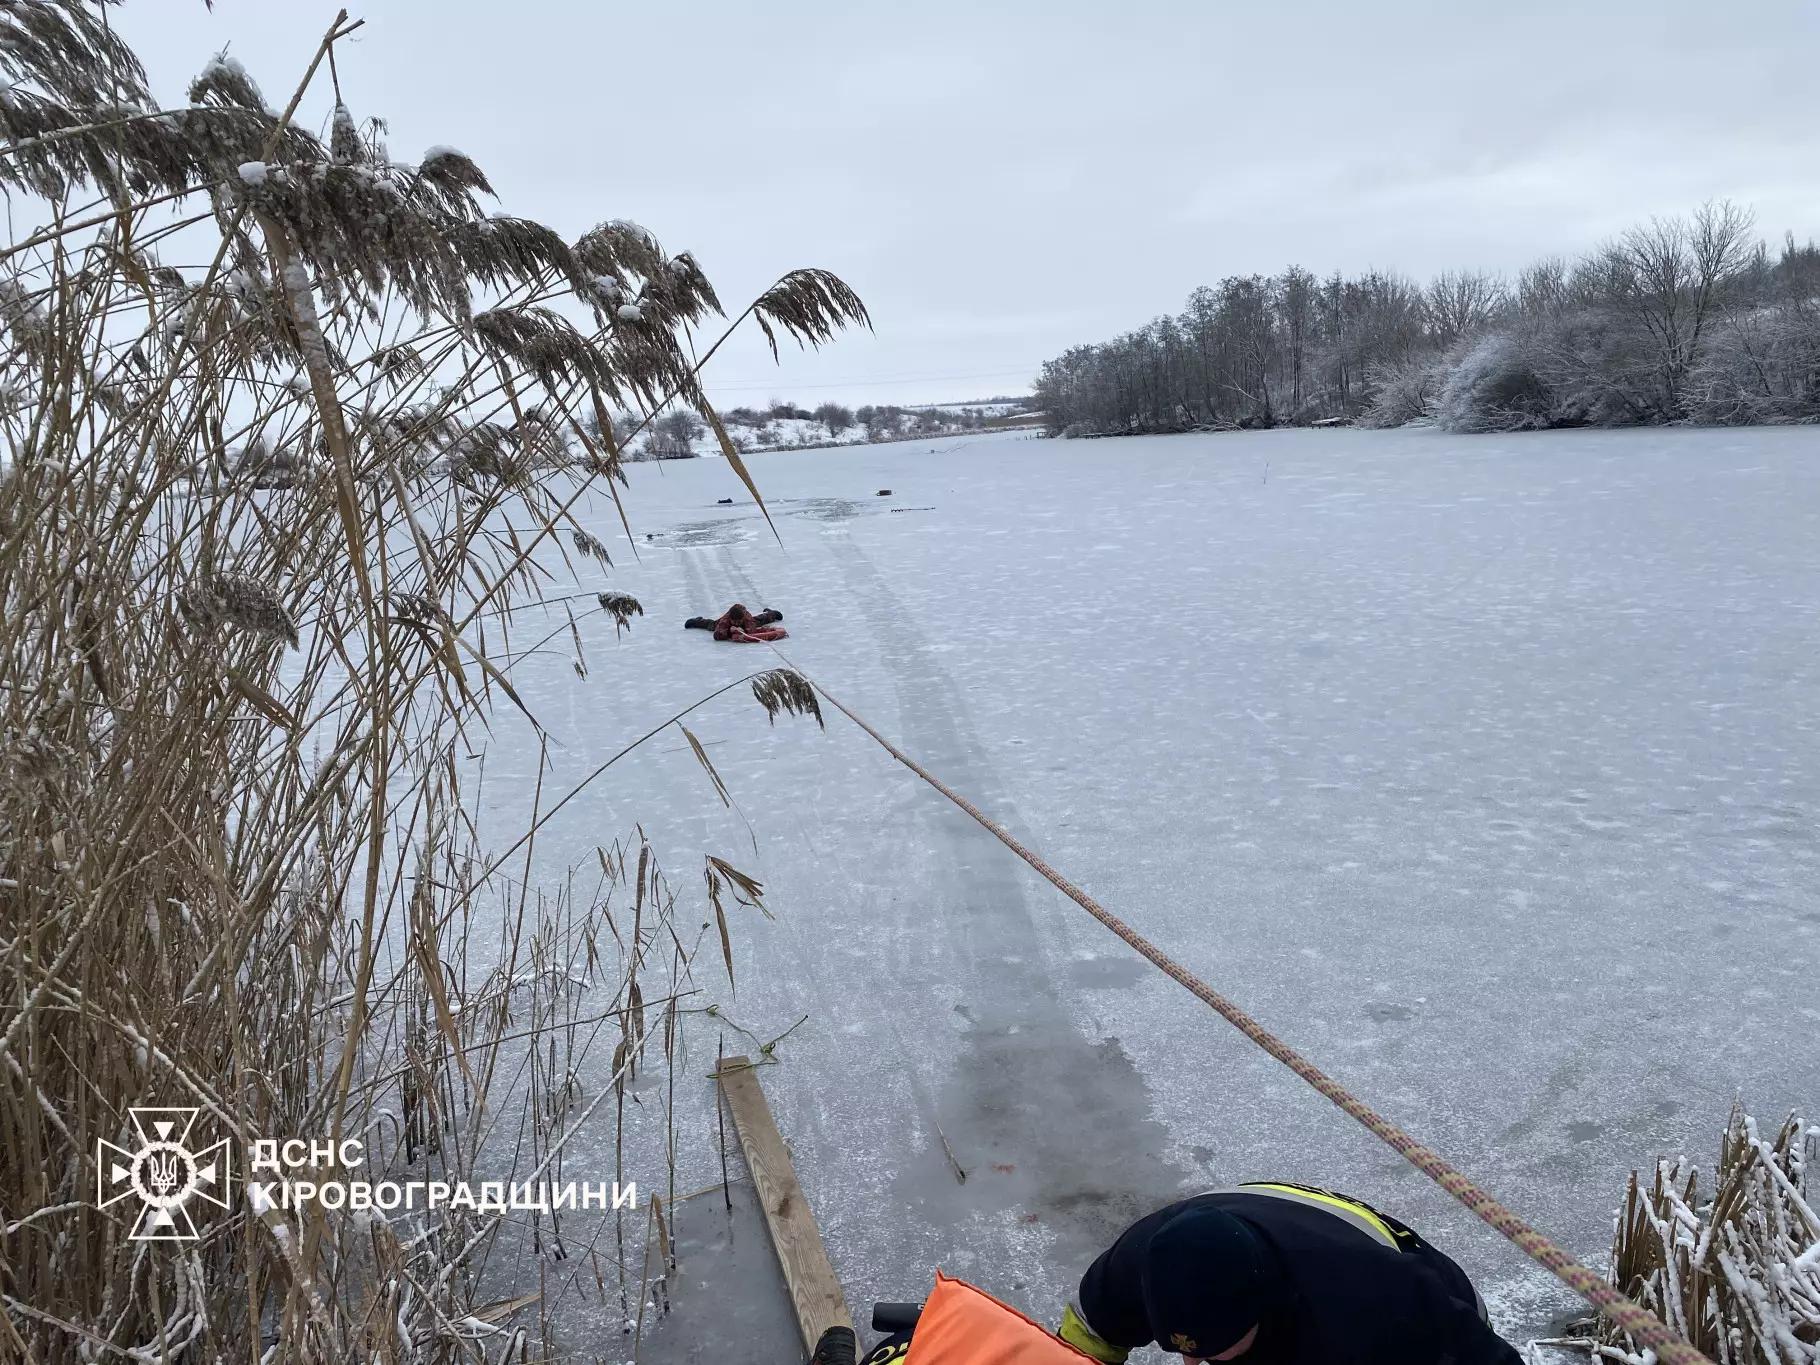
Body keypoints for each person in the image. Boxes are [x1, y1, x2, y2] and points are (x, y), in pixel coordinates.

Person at [1058, 1183, 1523, 1365]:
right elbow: (1085, 1338)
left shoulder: (1381, 1312)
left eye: (1215, 1353)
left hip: (1437, 1317)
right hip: (1257, 1217)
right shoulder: (1134, 1267)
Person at [683, 603, 786, 642]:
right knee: (712, 625)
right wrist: (729, 630)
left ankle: (771, 613)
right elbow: (717, 636)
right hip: (727, 622)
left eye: (739, 622)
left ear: (742, 618)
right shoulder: (726, 620)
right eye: (734, 622)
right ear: (730, 619)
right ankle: (696, 621)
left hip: (746, 620)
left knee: (759, 620)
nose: (736, 623)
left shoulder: (747, 618)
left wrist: (744, 630)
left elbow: (752, 632)